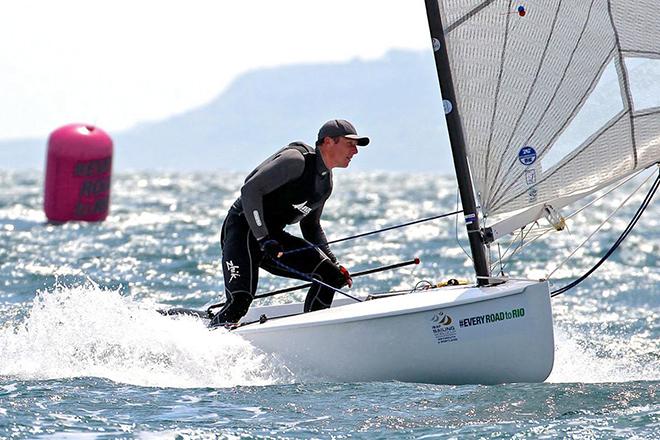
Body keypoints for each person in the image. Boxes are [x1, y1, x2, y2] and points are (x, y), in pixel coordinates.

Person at [209, 119, 370, 327]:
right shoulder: (296, 160)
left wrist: (334, 263)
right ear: (329, 141)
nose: (355, 151)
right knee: (239, 302)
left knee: (330, 276)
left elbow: (311, 227)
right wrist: (263, 238)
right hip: (243, 230)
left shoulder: (325, 183)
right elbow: (249, 190)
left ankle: (314, 334)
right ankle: (206, 340)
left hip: (271, 240)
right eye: (350, 144)